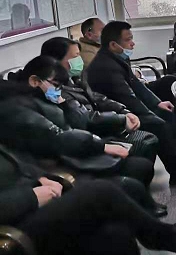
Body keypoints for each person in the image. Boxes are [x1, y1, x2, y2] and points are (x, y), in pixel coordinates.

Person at [0, 146, 176, 255]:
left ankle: (159, 235)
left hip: (28, 213)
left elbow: (19, 166)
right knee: (100, 192)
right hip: (10, 241)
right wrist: (31, 196)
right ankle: (160, 235)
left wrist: (41, 177)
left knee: (116, 234)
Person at [0, 57, 166, 216]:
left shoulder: (49, 97)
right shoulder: (18, 108)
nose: (58, 90)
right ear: (35, 81)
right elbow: (58, 137)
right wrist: (102, 146)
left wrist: (64, 103)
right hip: (60, 162)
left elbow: (79, 121)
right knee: (133, 179)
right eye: (56, 85)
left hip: (76, 150)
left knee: (141, 165)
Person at [86, 21, 176, 185]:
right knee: (159, 125)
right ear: (113, 44)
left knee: (168, 114)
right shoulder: (105, 66)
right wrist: (151, 114)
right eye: (128, 40)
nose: (132, 43)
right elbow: (127, 98)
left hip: (127, 108)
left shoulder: (116, 58)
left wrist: (157, 104)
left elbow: (137, 86)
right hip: (119, 114)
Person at [41, 37, 159, 163]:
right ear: (55, 61)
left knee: (150, 133)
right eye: (75, 56)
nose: (79, 60)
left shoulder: (74, 78)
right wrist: (121, 119)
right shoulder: (55, 91)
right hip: (91, 135)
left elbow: (97, 98)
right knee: (147, 140)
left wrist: (122, 110)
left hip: (102, 126)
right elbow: (84, 118)